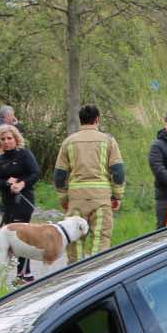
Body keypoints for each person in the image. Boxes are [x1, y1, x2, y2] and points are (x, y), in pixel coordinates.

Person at [53, 103, 125, 258]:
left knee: (75, 240)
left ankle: (76, 275)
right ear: (97, 119)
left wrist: (64, 199)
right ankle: (97, 276)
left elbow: (59, 176)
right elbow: (118, 172)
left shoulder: (68, 142)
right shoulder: (108, 141)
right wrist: (117, 196)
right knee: (100, 239)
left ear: (81, 121)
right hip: (101, 199)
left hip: (76, 200)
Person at [0, 125, 42, 284]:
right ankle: (22, 274)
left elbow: (35, 173)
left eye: (9, 138)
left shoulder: (24, 154)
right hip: (9, 203)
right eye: (3, 139)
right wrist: (6, 183)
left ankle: (24, 274)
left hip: (24, 199)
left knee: (21, 237)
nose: (6, 142)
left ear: (16, 139)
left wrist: (22, 183)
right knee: (11, 239)